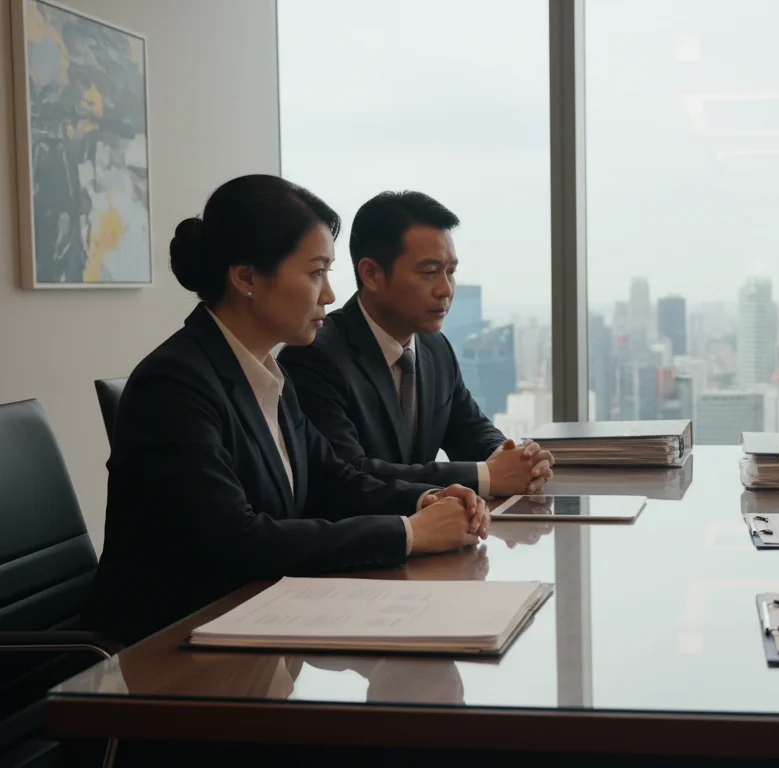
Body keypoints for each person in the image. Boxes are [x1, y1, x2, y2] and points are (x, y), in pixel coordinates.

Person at [85, 175, 489, 647]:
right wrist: (408, 534)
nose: (330, 296)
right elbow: (235, 540)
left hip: (256, 624)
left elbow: (333, 481)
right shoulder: (174, 385)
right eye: (316, 272)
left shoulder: (267, 373)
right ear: (247, 277)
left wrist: (423, 502)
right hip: (169, 650)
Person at [279, 191, 553, 497]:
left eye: (451, 272)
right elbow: (350, 473)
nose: (445, 289)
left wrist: (517, 459)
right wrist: (486, 476)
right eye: (430, 272)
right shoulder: (314, 357)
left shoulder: (435, 347)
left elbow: (470, 429)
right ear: (371, 273)